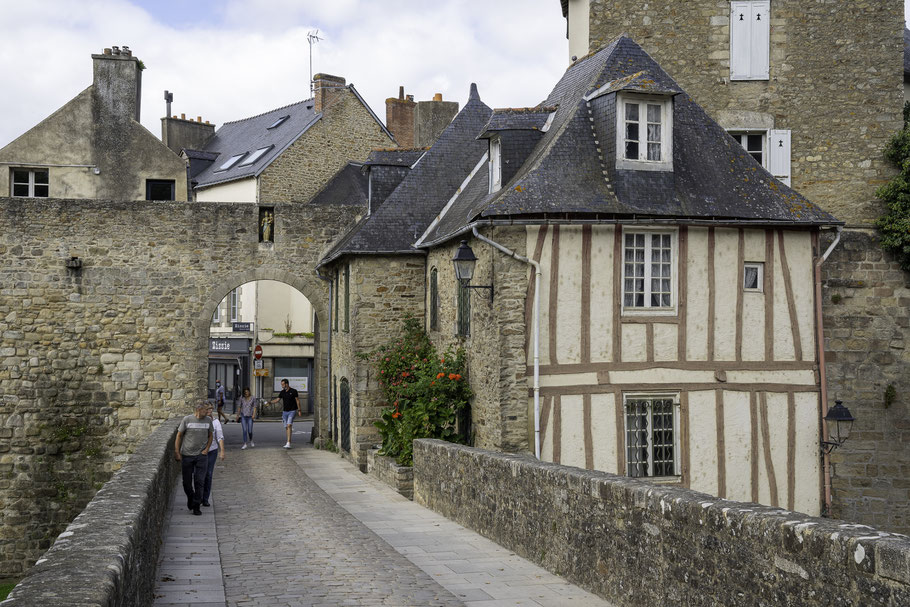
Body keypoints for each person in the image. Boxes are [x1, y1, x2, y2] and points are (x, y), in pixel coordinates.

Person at [175, 401, 213, 515]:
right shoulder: (187, 420)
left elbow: (210, 435)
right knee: (186, 482)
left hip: (201, 456)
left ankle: (196, 505)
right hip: (187, 455)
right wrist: (177, 451)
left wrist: (206, 449)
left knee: (199, 481)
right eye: (206, 410)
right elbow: (179, 435)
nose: (208, 412)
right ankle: (191, 498)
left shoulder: (208, 420)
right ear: (199, 410)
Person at [202, 404, 225, 507]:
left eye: (211, 408)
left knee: (209, 474)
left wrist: (222, 451)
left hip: (212, 451)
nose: (209, 410)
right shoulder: (199, 420)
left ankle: (205, 498)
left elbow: (219, 437)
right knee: (199, 475)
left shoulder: (216, 422)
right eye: (207, 409)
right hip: (200, 452)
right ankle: (198, 496)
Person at [270, 379, 301, 449]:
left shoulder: (293, 391)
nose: (282, 386)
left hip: (292, 411)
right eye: (281, 384)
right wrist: (270, 402)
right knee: (287, 427)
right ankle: (288, 441)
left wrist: (299, 410)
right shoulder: (282, 392)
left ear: (287, 384)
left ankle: (288, 442)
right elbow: (277, 399)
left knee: (289, 425)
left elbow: (297, 400)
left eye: (283, 384)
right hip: (285, 412)